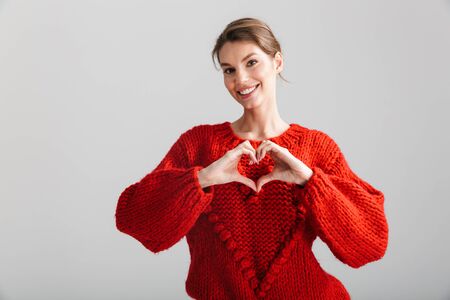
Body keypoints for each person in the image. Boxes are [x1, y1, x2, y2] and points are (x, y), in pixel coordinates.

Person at [115, 17, 389, 300]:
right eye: (229, 70)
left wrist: (310, 181)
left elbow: (370, 243)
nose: (240, 80)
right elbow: (133, 219)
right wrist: (203, 178)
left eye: (251, 62)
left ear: (277, 62)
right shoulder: (198, 144)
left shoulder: (316, 147)